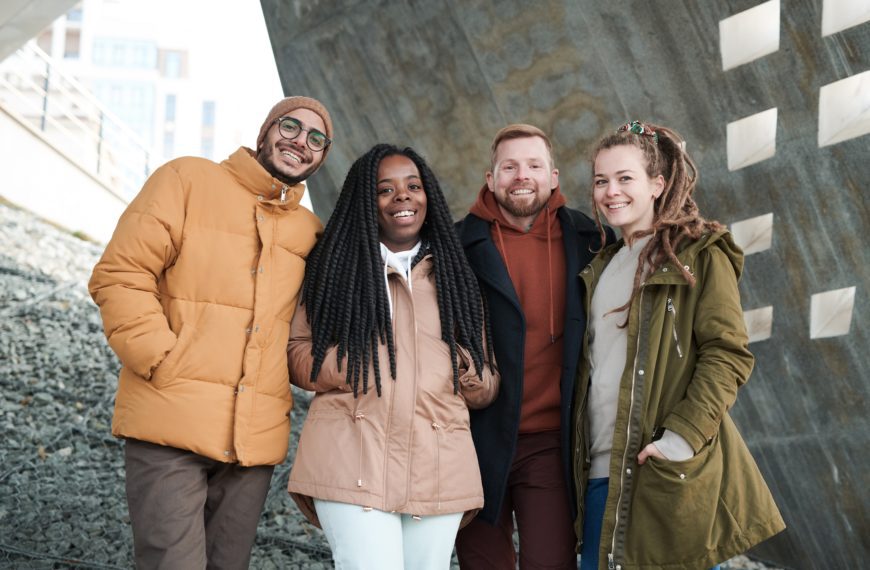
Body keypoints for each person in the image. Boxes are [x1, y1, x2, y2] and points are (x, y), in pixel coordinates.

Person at [88, 95, 334, 569]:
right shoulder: (187, 179)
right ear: (265, 132)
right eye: (290, 127)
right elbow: (120, 274)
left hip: (251, 449)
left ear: (321, 158)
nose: (300, 142)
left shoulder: (309, 232)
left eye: (316, 139)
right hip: (170, 425)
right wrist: (161, 359)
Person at [574, 121, 785, 570]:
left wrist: (680, 440)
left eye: (625, 178)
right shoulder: (600, 268)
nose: (611, 191)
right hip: (599, 474)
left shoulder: (699, 253)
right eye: (600, 181)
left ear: (657, 184)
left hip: (659, 471)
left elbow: (727, 354)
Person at [286, 143, 499, 569]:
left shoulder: (455, 276)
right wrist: (359, 365)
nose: (402, 196)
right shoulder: (335, 269)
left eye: (413, 186)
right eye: (385, 189)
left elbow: (487, 385)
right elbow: (297, 355)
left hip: (438, 462)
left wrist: (458, 369)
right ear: (366, 203)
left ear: (428, 196)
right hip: (350, 456)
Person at [455, 124, 615, 569]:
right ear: (491, 178)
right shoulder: (454, 245)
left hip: (550, 441)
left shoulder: (592, 241)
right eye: (509, 167)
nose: (521, 175)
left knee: (551, 561)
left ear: (554, 176)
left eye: (533, 165)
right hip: (473, 438)